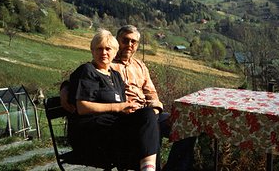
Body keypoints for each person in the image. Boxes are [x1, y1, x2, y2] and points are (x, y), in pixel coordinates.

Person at [61, 25, 196, 171]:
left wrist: (155, 109)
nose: (130, 45)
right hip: (127, 118)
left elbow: (151, 93)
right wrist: (65, 89)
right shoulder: (107, 61)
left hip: (146, 112)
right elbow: (82, 79)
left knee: (185, 126)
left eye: (134, 42)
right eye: (125, 40)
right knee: (150, 127)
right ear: (118, 42)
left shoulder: (140, 66)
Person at [66, 29, 160, 171]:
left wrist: (129, 109)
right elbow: (82, 107)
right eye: (99, 49)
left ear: (115, 51)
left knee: (147, 116)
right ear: (92, 51)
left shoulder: (115, 75)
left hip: (112, 126)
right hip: (92, 130)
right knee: (144, 135)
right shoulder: (88, 70)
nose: (104, 53)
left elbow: (123, 105)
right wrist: (117, 108)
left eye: (108, 49)